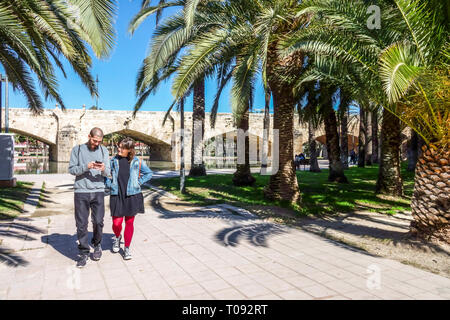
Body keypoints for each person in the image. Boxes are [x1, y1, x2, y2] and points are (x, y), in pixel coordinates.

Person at [68, 127, 110, 268]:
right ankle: (84, 252)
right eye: (94, 140)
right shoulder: (77, 150)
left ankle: (97, 244)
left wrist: (103, 169)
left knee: (98, 221)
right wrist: (86, 167)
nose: (96, 144)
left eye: (99, 141)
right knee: (81, 224)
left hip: (98, 190)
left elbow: (109, 173)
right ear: (89, 136)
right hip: (81, 191)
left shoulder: (104, 150)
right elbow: (72, 169)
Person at [107, 137, 153, 260]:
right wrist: (109, 184)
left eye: (122, 147)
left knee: (129, 223)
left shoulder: (137, 161)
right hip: (117, 195)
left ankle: (127, 248)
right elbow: (105, 174)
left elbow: (149, 173)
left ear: (129, 150)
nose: (119, 149)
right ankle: (117, 237)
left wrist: (138, 183)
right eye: (119, 146)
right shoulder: (113, 161)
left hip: (132, 196)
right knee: (116, 223)